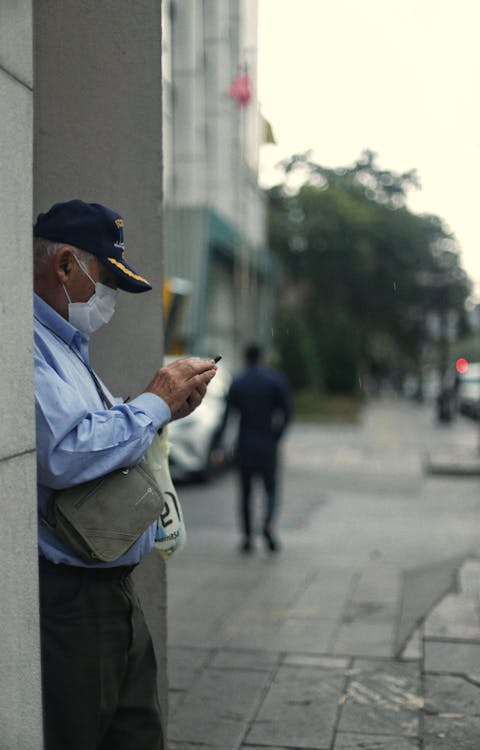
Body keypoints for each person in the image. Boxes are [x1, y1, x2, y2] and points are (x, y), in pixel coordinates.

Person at [33, 199, 217, 750]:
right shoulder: (26, 344)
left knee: (137, 734)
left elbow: (102, 437)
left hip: (114, 592)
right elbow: (65, 453)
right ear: (65, 265)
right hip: (73, 600)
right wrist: (154, 403)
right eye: (105, 279)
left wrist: (164, 408)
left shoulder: (68, 345)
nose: (107, 297)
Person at [223, 342, 292, 554]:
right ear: (262, 358)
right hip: (268, 445)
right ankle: (269, 524)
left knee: (246, 493)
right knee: (270, 490)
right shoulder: (275, 380)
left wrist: (221, 446)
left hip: (245, 446)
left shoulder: (239, 382)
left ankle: (247, 538)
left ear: (245, 358)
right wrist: (276, 436)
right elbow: (287, 412)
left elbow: (227, 417)